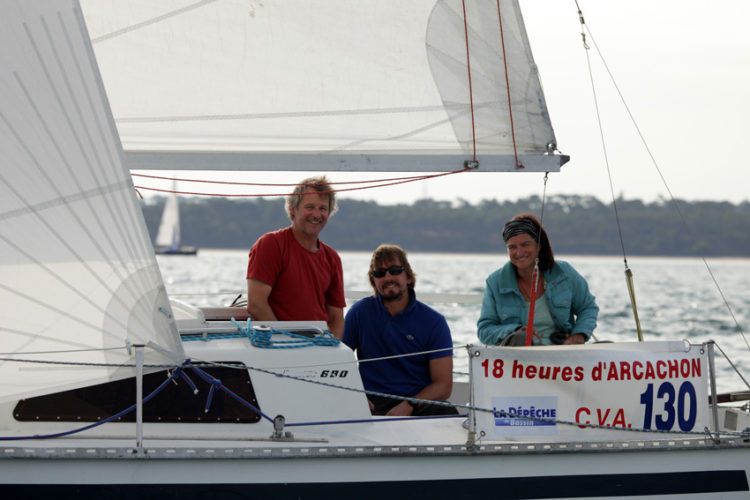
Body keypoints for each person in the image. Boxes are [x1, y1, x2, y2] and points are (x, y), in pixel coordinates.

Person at [343, 244, 458, 416]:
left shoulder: (434, 322)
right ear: (373, 280)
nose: (388, 277)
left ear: (409, 277)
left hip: (415, 404)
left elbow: (443, 386)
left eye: (395, 270)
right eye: (379, 273)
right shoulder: (359, 313)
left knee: (445, 410)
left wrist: (409, 405)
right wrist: (353, 396)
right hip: (370, 403)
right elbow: (337, 361)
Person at [246, 176, 345, 339]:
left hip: (319, 347)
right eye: (310, 207)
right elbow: (256, 304)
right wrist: (285, 342)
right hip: (278, 346)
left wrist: (332, 350)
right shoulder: (271, 245)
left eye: (323, 208)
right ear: (293, 209)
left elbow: (336, 317)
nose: (316, 214)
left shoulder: (332, 258)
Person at [477, 213, 598, 346]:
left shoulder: (564, 272)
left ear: (538, 246)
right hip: (519, 359)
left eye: (525, 244)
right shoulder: (495, 282)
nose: (519, 252)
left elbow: (587, 307)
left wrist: (579, 335)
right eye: (512, 247)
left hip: (562, 353)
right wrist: (515, 330)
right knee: (520, 337)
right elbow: (484, 330)